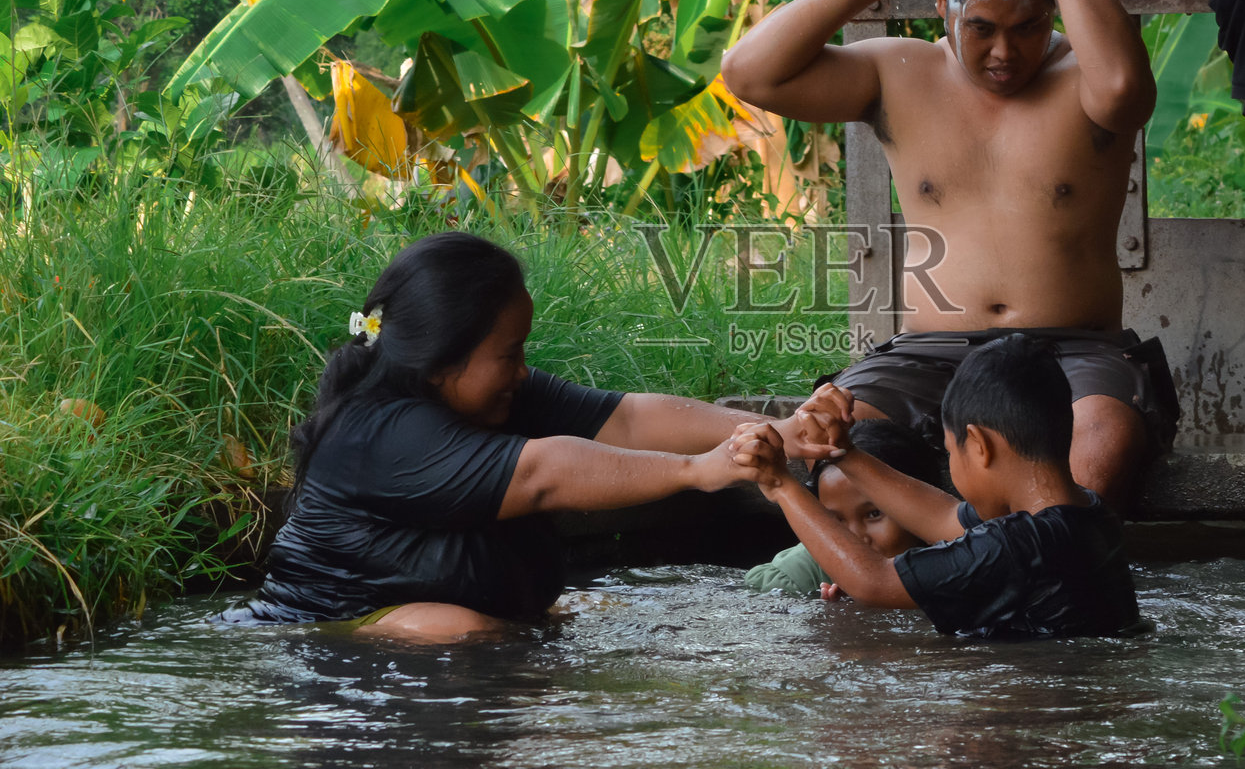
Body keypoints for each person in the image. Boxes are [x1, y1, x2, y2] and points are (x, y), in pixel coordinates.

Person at [720, 0, 1173, 511]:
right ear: (942, 7)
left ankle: (1026, 568)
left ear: (1053, 9)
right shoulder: (901, 71)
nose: (1004, 54)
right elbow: (749, 73)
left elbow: (1125, 91)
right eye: (981, 28)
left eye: (1027, 28)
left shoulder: (1089, 78)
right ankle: (895, 575)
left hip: (1073, 350)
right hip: (927, 353)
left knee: (1102, 450)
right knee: (817, 440)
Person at [220, 231, 841, 641]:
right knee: (457, 629)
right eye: (510, 352)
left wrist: (779, 430)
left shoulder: (493, 392)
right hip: (324, 627)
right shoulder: (377, 431)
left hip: (468, 612)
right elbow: (545, 474)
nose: (523, 370)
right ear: (442, 360)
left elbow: (627, 418)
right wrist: (699, 471)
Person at [732, 336, 1142, 639]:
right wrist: (843, 451)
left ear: (978, 446)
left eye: (952, 451)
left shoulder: (1020, 546)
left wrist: (780, 484)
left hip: (1031, 721)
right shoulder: (1084, 514)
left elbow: (874, 582)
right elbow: (944, 515)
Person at [744, 418, 946, 598]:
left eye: (873, 514)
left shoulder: (957, 560)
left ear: (923, 504)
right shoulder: (795, 579)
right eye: (835, 521)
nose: (855, 537)